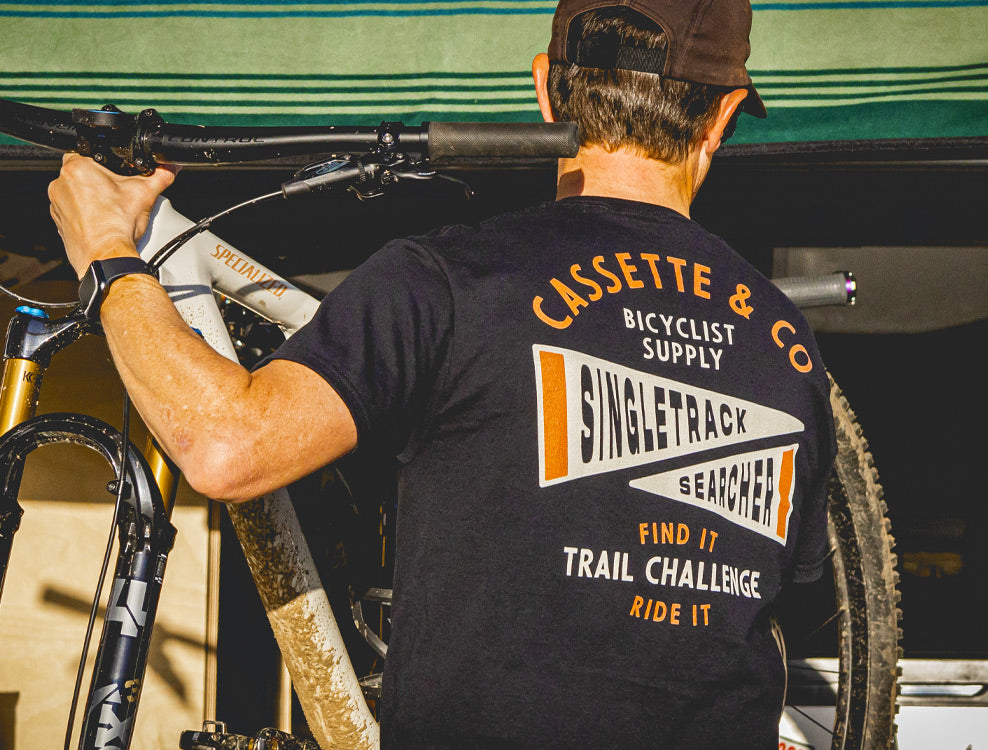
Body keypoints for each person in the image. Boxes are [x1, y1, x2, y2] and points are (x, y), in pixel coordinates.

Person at [47, 0, 835, 745]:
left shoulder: (452, 281)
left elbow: (227, 444)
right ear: (722, 117)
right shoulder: (789, 346)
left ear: (544, 89)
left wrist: (109, 257)